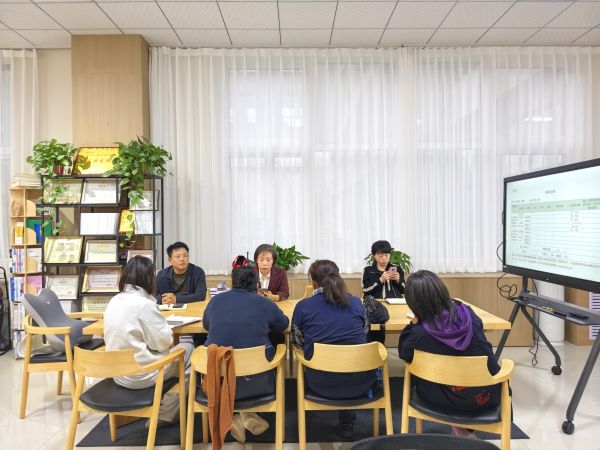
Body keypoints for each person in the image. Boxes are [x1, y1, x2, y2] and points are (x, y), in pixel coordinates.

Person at [397, 270, 502, 438]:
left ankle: (460, 430)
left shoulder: (420, 333)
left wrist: (414, 322)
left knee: (420, 372)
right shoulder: (468, 313)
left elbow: (404, 352)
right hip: (488, 393)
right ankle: (462, 431)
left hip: (443, 401)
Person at [292, 259, 377, 440]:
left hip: (320, 384)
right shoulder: (357, 303)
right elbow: (365, 333)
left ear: (313, 282)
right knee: (348, 363)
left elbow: (297, 343)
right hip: (361, 383)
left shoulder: (303, 306)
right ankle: (348, 421)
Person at [203, 266, 289, 443]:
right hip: (257, 385)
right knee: (275, 343)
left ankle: (237, 416)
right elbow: (283, 324)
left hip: (217, 382)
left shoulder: (216, 301)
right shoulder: (264, 303)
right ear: (257, 285)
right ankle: (245, 415)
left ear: (232, 283)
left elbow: (206, 325)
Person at [103, 256, 194, 424]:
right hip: (141, 375)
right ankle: (165, 413)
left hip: (118, 373)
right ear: (148, 278)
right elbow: (164, 342)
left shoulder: (114, 301)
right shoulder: (144, 305)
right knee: (188, 349)